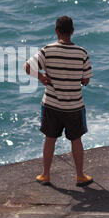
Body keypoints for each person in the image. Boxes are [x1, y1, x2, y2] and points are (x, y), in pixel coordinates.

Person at [24, 16, 93, 187]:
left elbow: (27, 66)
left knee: (50, 139)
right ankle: (79, 176)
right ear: (72, 31)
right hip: (74, 106)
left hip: (51, 105)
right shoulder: (82, 53)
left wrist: (41, 77)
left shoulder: (47, 50)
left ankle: (45, 175)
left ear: (56, 31)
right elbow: (86, 80)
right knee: (76, 140)